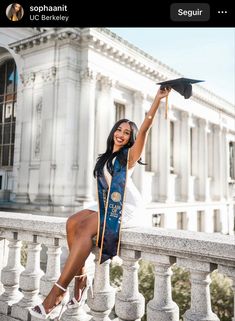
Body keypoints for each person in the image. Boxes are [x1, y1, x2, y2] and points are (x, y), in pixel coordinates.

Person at [29, 86, 171, 319]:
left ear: (130, 139)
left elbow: (145, 128)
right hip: (105, 204)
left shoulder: (128, 157)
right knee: (73, 222)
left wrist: (156, 100)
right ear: (113, 132)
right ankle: (81, 282)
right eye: (119, 129)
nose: (121, 134)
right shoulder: (105, 158)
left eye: (127, 132)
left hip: (126, 207)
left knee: (85, 228)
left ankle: (57, 293)